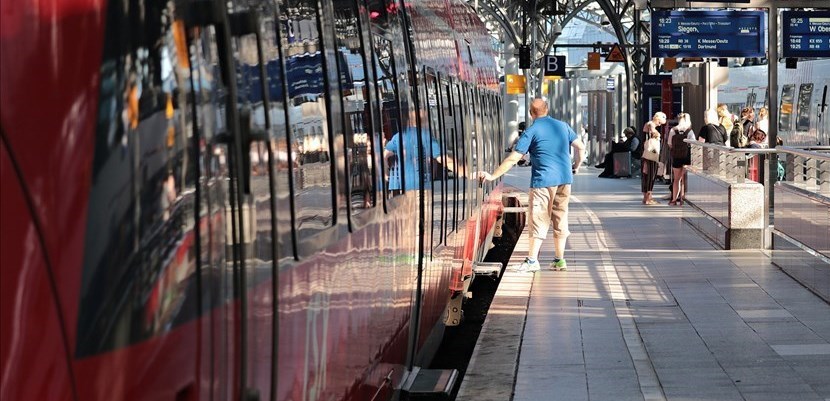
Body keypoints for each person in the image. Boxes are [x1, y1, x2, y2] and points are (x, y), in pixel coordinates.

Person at [479, 99, 585, 272]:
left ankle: (532, 261)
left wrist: (493, 176)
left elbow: (514, 158)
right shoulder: (563, 126)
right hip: (565, 180)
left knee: (538, 219)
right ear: (547, 109)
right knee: (560, 218)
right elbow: (580, 147)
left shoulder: (532, 130)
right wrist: (577, 166)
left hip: (543, 181)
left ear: (530, 113)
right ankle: (559, 260)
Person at [385, 109, 455, 192]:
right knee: (420, 203)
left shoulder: (398, 136)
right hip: (419, 183)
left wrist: (386, 173)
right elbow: (442, 159)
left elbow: (383, 156)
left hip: (400, 184)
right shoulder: (425, 136)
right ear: (424, 122)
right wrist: (461, 170)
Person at [667, 113, 695, 206]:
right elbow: (694, 144)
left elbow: (670, 144)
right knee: (684, 180)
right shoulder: (689, 131)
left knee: (676, 179)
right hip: (687, 157)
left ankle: (674, 200)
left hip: (676, 157)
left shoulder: (673, 130)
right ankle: (683, 199)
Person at [641, 128, 661, 205]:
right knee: (651, 178)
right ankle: (648, 198)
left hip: (645, 159)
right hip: (652, 160)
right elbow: (654, 151)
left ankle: (645, 198)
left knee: (645, 178)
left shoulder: (647, 141)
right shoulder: (654, 141)